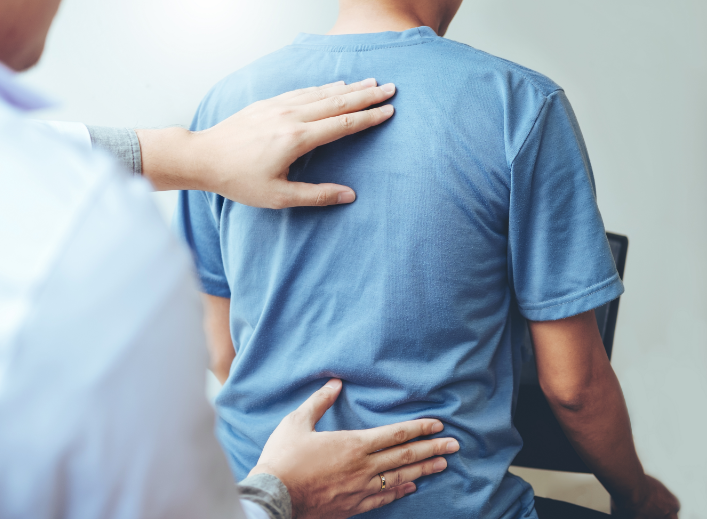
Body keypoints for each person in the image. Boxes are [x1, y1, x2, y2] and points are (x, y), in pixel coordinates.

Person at [0, 1, 463, 518]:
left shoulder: (230, 99)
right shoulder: (78, 239)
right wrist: (282, 495)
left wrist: (185, 153)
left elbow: (221, 348)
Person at [176, 0, 681, 518]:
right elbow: (574, 386)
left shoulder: (225, 105)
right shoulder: (519, 104)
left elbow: (220, 350)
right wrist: (638, 495)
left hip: (245, 492)